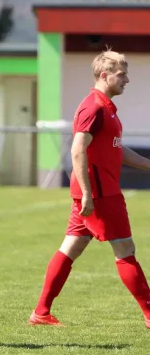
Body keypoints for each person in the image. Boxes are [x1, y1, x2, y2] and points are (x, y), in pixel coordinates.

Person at [29, 49, 150, 328]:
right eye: (122, 74)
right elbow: (77, 150)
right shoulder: (93, 107)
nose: (127, 80)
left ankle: (41, 312)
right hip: (99, 193)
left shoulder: (106, 108)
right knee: (125, 249)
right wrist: (86, 193)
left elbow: (119, 152)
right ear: (105, 75)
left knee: (71, 246)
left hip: (96, 191)